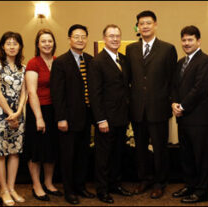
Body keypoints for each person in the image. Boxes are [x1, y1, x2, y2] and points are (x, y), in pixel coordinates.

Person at [126, 10, 177, 199]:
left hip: (159, 109)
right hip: (137, 109)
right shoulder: (131, 49)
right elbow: (128, 79)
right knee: (139, 148)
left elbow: (172, 80)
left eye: (148, 23)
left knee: (160, 148)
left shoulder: (167, 49)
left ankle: (160, 182)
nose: (145, 26)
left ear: (155, 25)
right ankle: (144, 179)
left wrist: (171, 103)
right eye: (141, 23)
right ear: (137, 27)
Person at [50, 24, 95, 205]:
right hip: (68, 118)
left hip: (86, 116)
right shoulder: (60, 62)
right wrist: (61, 118)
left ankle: (80, 186)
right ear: (69, 39)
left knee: (83, 154)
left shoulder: (91, 60)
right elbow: (57, 93)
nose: (80, 40)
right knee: (68, 156)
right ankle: (69, 191)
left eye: (83, 36)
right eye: (76, 36)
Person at [88, 24, 132, 204]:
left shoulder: (123, 59)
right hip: (105, 119)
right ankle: (103, 189)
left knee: (117, 154)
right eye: (111, 36)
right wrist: (101, 119)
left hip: (122, 117)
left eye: (117, 36)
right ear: (104, 39)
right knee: (103, 157)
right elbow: (94, 94)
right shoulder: (97, 62)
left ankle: (115, 184)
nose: (115, 39)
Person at [171, 25, 208, 203]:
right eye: (184, 40)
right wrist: (173, 103)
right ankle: (190, 185)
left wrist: (181, 106)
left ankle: (202, 191)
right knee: (186, 154)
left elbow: (200, 89)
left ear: (199, 41)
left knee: (201, 156)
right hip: (183, 118)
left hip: (199, 118)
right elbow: (174, 85)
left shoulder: (206, 61)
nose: (186, 43)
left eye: (190, 40)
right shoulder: (181, 62)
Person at [0, 31, 26, 206]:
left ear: (20, 46)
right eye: (8, 43)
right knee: (0, 153)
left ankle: (11, 188)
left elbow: (24, 93)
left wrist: (18, 112)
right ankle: (3, 189)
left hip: (18, 116)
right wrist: (10, 113)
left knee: (14, 152)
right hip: (0, 115)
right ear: (3, 46)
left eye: (15, 43)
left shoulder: (23, 68)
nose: (12, 46)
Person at [24, 28, 62, 201]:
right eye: (43, 41)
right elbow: (31, 92)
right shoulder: (33, 63)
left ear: (54, 43)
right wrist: (39, 117)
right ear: (38, 44)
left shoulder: (58, 61)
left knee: (51, 149)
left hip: (55, 111)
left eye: (50, 41)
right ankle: (36, 185)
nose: (47, 44)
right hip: (38, 110)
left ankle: (48, 183)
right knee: (37, 150)